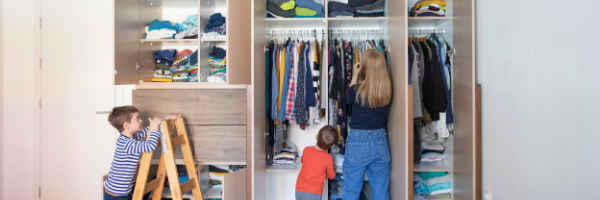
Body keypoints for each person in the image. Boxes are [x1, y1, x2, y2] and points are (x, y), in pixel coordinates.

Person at [343, 49, 392, 200]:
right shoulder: (387, 91)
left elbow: (348, 98)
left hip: (358, 141)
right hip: (380, 141)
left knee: (351, 188)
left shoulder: (356, 90)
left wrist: (356, 74)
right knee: (380, 190)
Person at [103, 105, 179, 200]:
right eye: (137, 119)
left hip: (125, 187)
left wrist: (164, 119)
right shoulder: (127, 144)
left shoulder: (132, 136)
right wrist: (154, 126)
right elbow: (150, 146)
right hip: (117, 194)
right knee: (142, 191)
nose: (141, 121)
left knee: (144, 190)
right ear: (127, 125)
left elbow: (147, 131)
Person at [295, 125, 339, 200]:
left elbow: (303, 161)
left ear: (317, 136)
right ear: (332, 145)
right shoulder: (328, 158)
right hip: (314, 193)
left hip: (299, 190)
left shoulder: (306, 150)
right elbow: (331, 176)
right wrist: (333, 169)